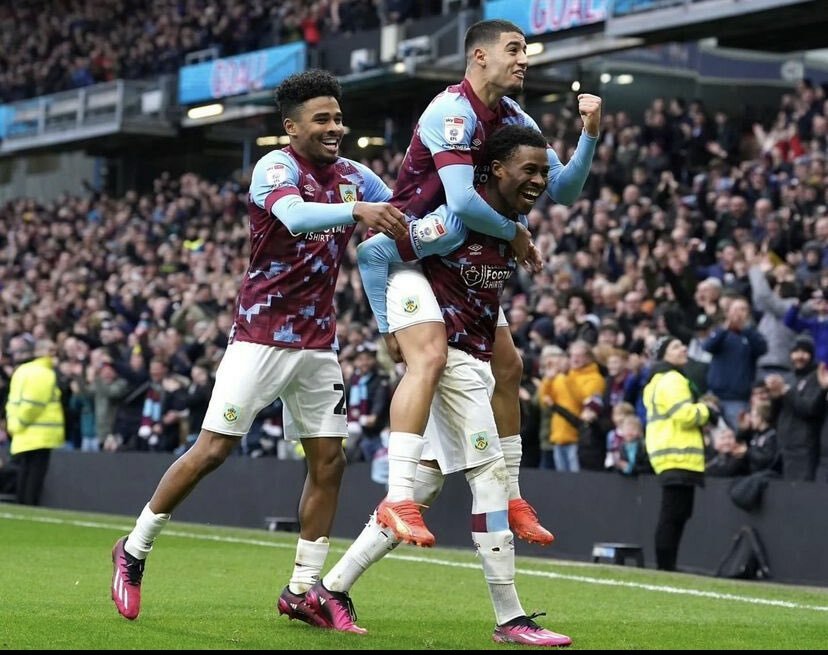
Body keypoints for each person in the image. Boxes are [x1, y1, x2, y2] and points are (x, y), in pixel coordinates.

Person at [110, 69, 408, 621]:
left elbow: (402, 212)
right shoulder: (275, 168)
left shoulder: (353, 175)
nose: (335, 128)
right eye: (322, 119)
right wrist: (356, 211)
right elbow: (294, 217)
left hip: (318, 343)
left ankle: (302, 589)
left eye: (338, 118)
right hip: (260, 336)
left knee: (329, 461)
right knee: (212, 451)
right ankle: (133, 550)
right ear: (291, 126)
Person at [299, 125, 572, 646]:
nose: (539, 180)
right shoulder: (453, 221)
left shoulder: (512, 222)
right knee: (488, 474)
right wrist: (389, 329)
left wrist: (590, 136)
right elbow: (374, 252)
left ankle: (328, 589)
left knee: (426, 484)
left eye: (543, 171)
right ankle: (510, 617)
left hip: (476, 354)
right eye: (529, 170)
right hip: (450, 358)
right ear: (495, 170)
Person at [369, 18, 602, 546]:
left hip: (461, 262)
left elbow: (563, 190)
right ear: (479, 56)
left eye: (525, 50)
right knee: (429, 360)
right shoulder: (450, 112)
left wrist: (589, 134)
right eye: (514, 49)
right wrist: (514, 233)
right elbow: (461, 201)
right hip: (415, 254)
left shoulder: (515, 118)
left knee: (510, 366)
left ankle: (513, 496)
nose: (524, 59)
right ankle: (397, 495)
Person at [643, 336, 717, 572]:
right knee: (674, 514)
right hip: (679, 454)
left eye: (682, 345)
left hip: (667, 453)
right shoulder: (673, 379)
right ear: (664, 354)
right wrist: (707, 410)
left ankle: (667, 564)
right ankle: (666, 566)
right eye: (676, 346)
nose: (683, 348)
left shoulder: (656, 381)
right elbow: (684, 415)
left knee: (676, 513)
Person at [5, 337, 65, 505]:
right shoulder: (44, 373)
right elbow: (33, 404)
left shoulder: (22, 370)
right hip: (40, 432)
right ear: (42, 352)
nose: (55, 355)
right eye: (52, 351)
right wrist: (21, 423)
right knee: (35, 472)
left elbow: (13, 401)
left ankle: (22, 503)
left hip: (23, 431)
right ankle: (29, 502)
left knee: (25, 469)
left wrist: (14, 424)